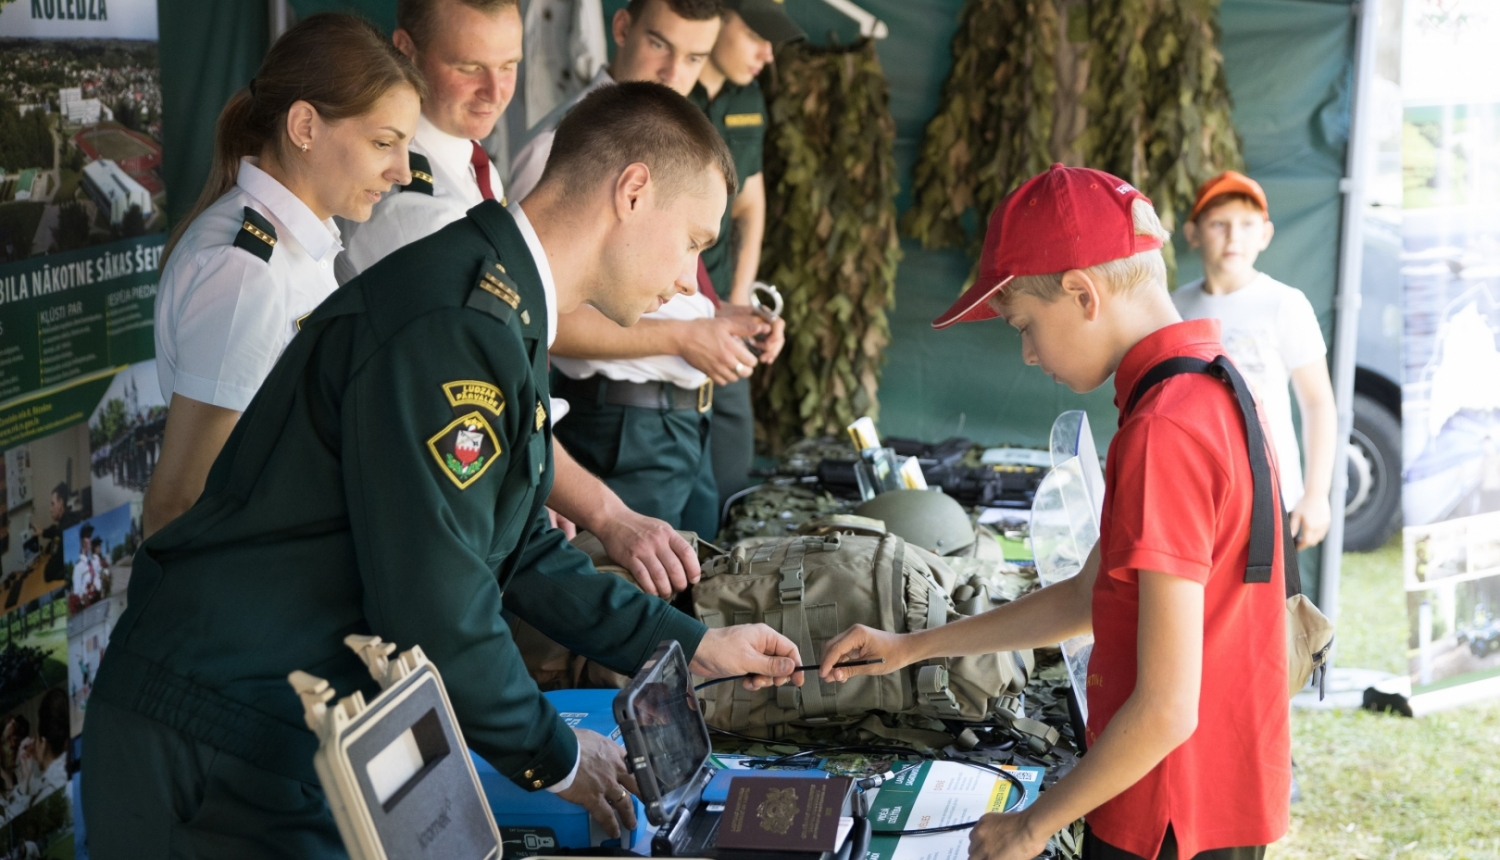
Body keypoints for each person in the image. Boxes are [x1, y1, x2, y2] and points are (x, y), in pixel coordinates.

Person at [82, 82, 803, 860]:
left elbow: (517, 547)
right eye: (694, 242)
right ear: (633, 191)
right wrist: (555, 755)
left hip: (277, 725)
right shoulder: (456, 321)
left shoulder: (499, 307)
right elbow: (438, 602)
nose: (690, 282)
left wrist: (693, 645)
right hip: (214, 731)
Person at [819, 165, 1291, 860]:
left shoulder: (1165, 429)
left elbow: (1165, 709)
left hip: (1164, 814)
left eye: (1025, 325)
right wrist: (910, 648)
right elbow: (1087, 598)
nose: (1029, 353)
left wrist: (1029, 826)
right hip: (1212, 796)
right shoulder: (1202, 384)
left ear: (1081, 292)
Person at [343, 0, 707, 597]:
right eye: (468, 66)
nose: (494, 91)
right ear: (405, 51)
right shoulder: (411, 204)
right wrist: (599, 510)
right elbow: (468, 399)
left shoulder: (465, 165)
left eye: (509, 65)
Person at [140, 15, 424, 537]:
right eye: (384, 143)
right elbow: (178, 503)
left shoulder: (299, 248)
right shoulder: (247, 272)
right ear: (304, 128)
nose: (404, 172)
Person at [517, 0, 787, 539]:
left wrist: (721, 314)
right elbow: (537, 315)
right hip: (623, 428)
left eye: (695, 57)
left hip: (686, 425)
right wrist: (684, 336)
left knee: (690, 601)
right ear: (622, 27)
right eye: (660, 44)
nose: (673, 72)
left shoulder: (676, 141)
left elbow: (669, 276)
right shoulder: (561, 145)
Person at [1174, 170, 1336, 549]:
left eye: (1248, 224)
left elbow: (1318, 403)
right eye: (1219, 223)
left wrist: (1316, 495)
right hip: (1196, 494)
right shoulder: (1175, 307)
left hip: (1270, 495)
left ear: (1265, 235)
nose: (1234, 236)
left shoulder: (1285, 304)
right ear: (1193, 233)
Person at [691, 0, 803, 509]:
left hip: (719, 319)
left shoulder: (747, 96)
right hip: (660, 324)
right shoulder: (663, 93)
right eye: (757, 34)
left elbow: (751, 203)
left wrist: (735, 301)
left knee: (732, 487)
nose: (768, 54)